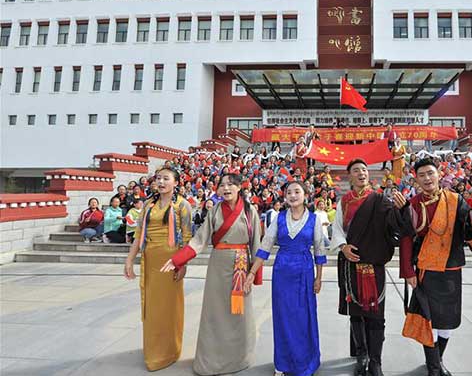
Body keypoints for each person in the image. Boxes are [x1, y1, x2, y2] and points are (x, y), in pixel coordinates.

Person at [394, 159, 472, 376]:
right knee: (429, 321)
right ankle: (434, 368)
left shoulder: (456, 201)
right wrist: (408, 272)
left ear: (439, 174)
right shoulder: (412, 205)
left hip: (451, 269)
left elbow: (470, 229)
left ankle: (438, 361)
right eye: (422, 175)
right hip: (426, 269)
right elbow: (406, 239)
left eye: (430, 173)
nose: (427, 178)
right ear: (416, 179)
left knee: (447, 321)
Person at [160, 173, 263, 376]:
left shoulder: (250, 211)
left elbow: (256, 244)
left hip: (241, 266)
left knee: (239, 313)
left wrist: (254, 274)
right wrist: (177, 260)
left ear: (239, 187)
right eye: (222, 185)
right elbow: (200, 240)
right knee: (215, 314)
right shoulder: (215, 210)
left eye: (230, 184)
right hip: (218, 265)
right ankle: (212, 360)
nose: (226, 188)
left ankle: (239, 358)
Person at [330, 158, 411, 376]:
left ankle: (376, 360)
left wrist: (401, 209)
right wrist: (343, 246)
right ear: (350, 176)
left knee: (376, 315)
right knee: (355, 313)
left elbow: (394, 225)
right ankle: (362, 355)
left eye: (364, 170)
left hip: (373, 267)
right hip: (351, 266)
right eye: (356, 170)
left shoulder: (380, 200)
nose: (361, 173)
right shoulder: (344, 201)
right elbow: (337, 228)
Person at [245, 181, 327, 376]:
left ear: (305, 195)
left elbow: (319, 250)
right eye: (288, 192)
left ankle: (306, 361)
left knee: (304, 317)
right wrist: (251, 273)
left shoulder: (314, 219)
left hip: (305, 272)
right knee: (282, 317)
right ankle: (282, 363)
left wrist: (319, 277)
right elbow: (265, 247)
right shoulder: (279, 218)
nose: (292, 195)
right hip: (282, 272)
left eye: (297, 191)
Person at [123, 168, 193, 371]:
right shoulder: (148, 205)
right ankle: (152, 348)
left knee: (169, 306)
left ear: (176, 182)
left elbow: (188, 238)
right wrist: (129, 260)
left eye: (166, 178)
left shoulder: (183, 205)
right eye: (158, 178)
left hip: (172, 261)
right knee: (152, 307)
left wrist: (183, 264)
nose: (161, 182)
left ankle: (169, 350)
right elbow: (138, 235)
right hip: (150, 259)